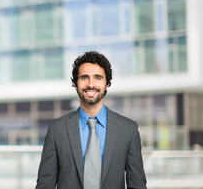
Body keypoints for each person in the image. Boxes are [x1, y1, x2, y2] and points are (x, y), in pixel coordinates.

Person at [35, 51, 147, 189]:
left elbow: (137, 185)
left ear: (107, 84)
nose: (90, 84)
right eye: (84, 78)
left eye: (98, 78)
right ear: (75, 84)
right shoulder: (57, 129)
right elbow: (45, 185)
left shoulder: (128, 129)